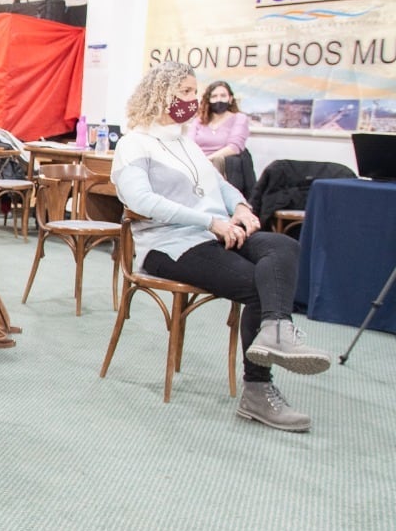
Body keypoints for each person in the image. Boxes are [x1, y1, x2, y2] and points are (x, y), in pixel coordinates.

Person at [113, 61, 331, 433]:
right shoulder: (134, 144)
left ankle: (277, 329)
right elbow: (143, 201)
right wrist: (209, 221)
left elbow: (220, 186)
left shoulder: (185, 141)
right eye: (184, 91)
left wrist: (241, 207)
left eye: (192, 92)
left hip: (216, 233)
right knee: (259, 283)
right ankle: (258, 391)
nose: (192, 99)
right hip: (170, 246)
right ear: (160, 93)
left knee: (282, 247)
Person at [187, 80, 250, 176]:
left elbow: (234, 147)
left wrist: (207, 160)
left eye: (223, 96)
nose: (218, 100)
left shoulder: (239, 118)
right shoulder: (199, 120)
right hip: (196, 165)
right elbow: (189, 144)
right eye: (214, 96)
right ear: (208, 100)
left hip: (222, 167)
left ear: (230, 99)